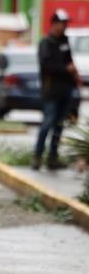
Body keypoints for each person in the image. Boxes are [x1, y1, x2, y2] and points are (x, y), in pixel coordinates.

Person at [32, 9, 82, 170]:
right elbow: (46, 66)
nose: (64, 26)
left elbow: (70, 62)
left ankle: (53, 158)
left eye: (66, 23)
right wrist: (65, 69)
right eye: (62, 23)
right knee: (47, 123)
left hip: (66, 90)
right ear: (54, 24)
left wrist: (74, 75)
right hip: (51, 91)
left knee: (59, 125)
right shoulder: (46, 43)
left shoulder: (64, 41)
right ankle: (37, 157)